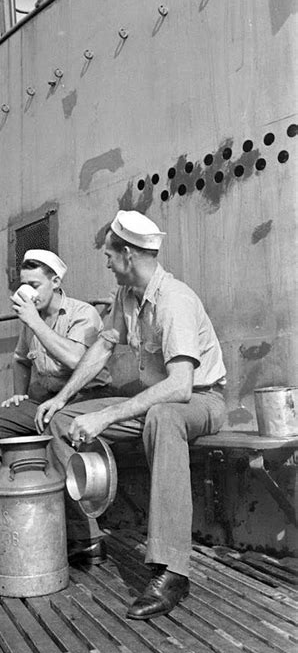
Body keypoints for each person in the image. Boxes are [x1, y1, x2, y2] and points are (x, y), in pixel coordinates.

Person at [36, 210, 226, 620]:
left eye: (109, 255)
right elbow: (102, 348)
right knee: (62, 421)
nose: (105, 263)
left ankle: (172, 569)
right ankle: (85, 538)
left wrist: (105, 418)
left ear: (128, 254)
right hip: (156, 400)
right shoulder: (127, 297)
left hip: (201, 402)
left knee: (162, 417)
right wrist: (63, 398)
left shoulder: (174, 300)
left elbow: (181, 387)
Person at [0, 249, 111, 501]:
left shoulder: (82, 313)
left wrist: (34, 323)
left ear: (55, 282)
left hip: (85, 398)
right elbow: (19, 359)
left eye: (34, 285)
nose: (27, 292)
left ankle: (73, 523)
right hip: (43, 401)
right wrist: (19, 394)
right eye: (23, 285)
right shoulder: (33, 319)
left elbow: (76, 359)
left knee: (54, 424)